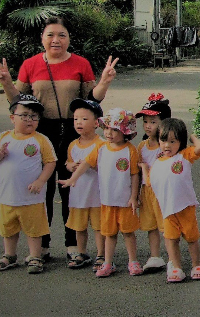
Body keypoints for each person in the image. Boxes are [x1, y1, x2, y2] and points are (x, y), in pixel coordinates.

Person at [0, 17, 119, 261]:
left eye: (61, 35)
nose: (56, 40)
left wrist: (105, 81)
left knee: (72, 187)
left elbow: (92, 99)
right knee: (43, 189)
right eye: (50, 35)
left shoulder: (81, 63)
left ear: (68, 39)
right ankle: (42, 246)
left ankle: (73, 246)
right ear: (42, 38)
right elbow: (18, 100)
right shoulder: (30, 64)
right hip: (42, 131)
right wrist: (6, 82)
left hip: (74, 131)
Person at [60, 108, 142, 278]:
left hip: (125, 201)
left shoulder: (130, 150)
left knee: (128, 232)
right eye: (106, 128)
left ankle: (133, 261)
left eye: (114, 130)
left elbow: (135, 174)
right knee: (109, 233)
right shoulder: (101, 147)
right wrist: (73, 179)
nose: (109, 133)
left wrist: (134, 196)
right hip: (106, 201)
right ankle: (107, 262)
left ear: (125, 132)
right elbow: (86, 164)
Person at [0, 94, 57, 275]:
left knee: (34, 229)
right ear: (13, 118)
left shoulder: (41, 139)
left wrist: (41, 180)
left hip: (32, 197)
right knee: (8, 228)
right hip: (8, 196)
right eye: (24, 115)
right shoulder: (3, 138)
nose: (29, 120)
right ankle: (9, 255)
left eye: (34, 116)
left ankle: (35, 256)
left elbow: (50, 162)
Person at [149, 117, 200, 283]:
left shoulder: (184, 156)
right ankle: (176, 267)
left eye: (173, 141)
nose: (167, 145)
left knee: (192, 237)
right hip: (167, 209)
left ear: (180, 142)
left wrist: (192, 137)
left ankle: (196, 265)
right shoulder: (157, 163)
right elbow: (152, 183)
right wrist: (144, 169)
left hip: (185, 207)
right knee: (171, 238)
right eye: (163, 140)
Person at [63, 98, 105, 270]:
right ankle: (81, 252)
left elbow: (105, 167)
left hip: (96, 194)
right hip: (78, 194)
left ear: (96, 123)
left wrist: (92, 166)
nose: (79, 122)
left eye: (84, 119)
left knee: (99, 227)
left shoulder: (102, 144)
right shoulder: (73, 144)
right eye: (76, 119)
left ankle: (101, 254)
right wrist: (71, 166)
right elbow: (68, 162)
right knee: (79, 227)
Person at [136, 93, 171, 274]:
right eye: (145, 121)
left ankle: (173, 258)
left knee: (166, 225)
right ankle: (155, 256)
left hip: (161, 191)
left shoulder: (167, 146)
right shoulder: (142, 146)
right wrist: (135, 194)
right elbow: (136, 173)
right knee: (151, 225)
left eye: (153, 121)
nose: (148, 126)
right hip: (146, 191)